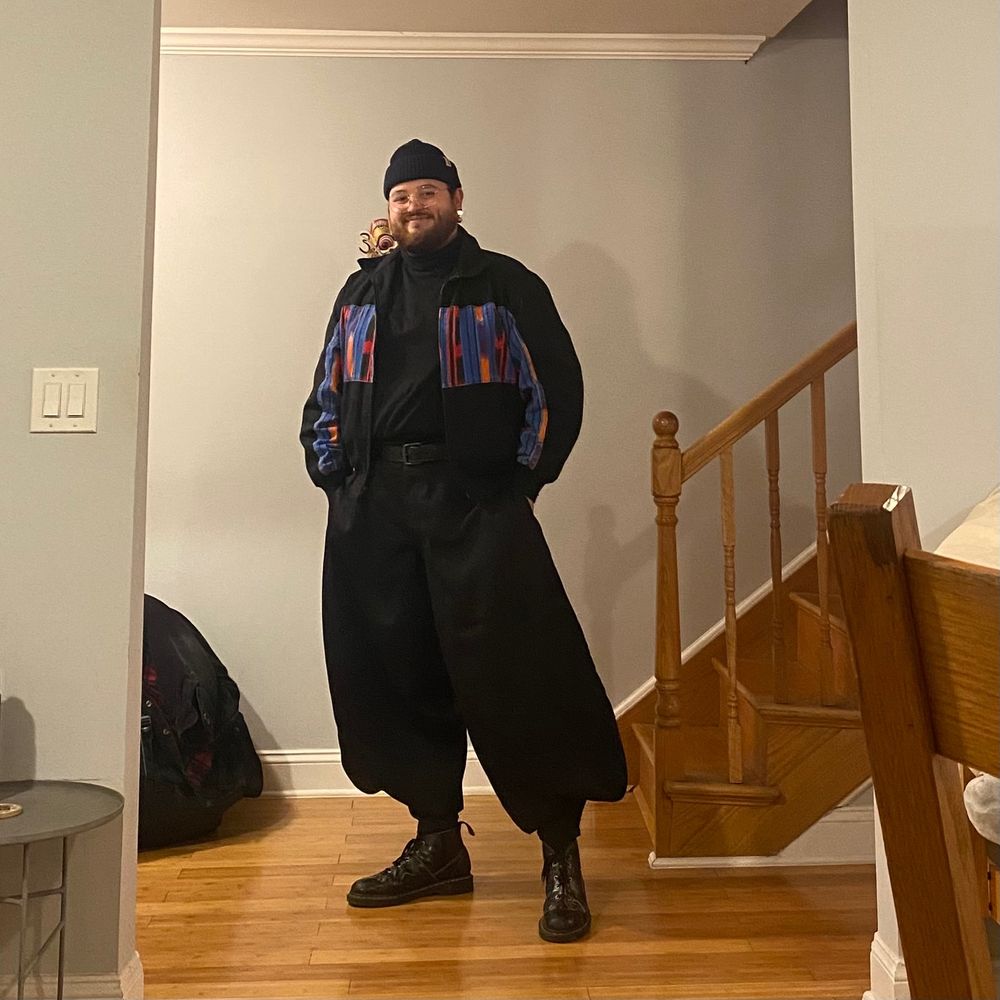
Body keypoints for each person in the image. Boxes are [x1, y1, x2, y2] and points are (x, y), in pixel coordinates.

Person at [300, 139, 627, 943]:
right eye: (402, 196)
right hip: (377, 512)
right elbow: (325, 391)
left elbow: (557, 391)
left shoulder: (504, 284)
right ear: (389, 208)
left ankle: (560, 858)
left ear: (456, 199)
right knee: (401, 675)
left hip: (477, 505)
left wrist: (518, 485)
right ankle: (438, 844)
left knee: (525, 676)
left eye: (430, 193)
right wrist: (336, 479)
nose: (416, 207)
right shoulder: (361, 292)